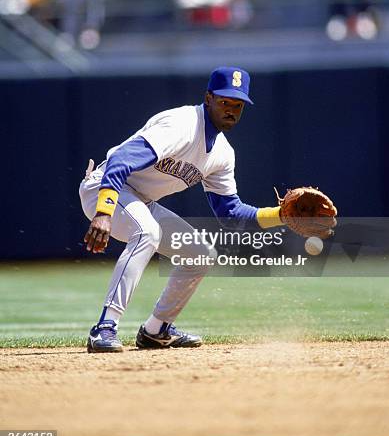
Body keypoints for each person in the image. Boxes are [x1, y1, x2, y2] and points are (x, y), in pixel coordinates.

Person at [80, 67, 284, 352]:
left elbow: (232, 215)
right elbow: (120, 160)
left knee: (201, 254)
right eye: (225, 102)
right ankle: (104, 328)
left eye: (237, 105)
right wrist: (104, 211)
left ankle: (155, 329)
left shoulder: (223, 155)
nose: (231, 110)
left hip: (141, 200)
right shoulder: (182, 125)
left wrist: (283, 216)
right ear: (208, 98)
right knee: (147, 232)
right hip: (104, 187)